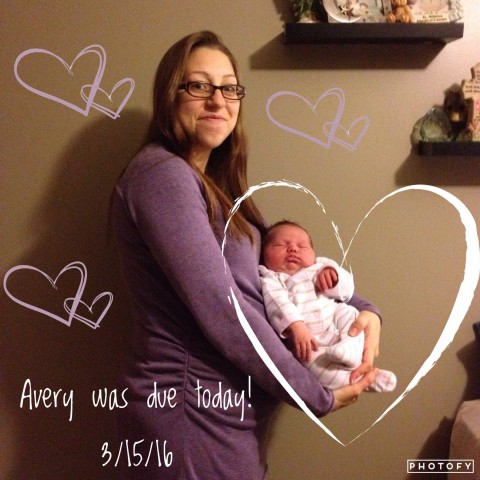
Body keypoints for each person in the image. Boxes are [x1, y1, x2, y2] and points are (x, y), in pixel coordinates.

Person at [111, 30, 381, 480]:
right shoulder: (162, 176)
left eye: (230, 87)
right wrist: (315, 396)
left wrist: (365, 311)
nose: (218, 100)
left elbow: (278, 273)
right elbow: (224, 307)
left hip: (225, 416)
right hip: (189, 415)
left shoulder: (217, 188)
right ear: (169, 95)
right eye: (199, 85)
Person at [259, 220, 396, 392]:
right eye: (281, 245)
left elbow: (347, 291)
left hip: (335, 322)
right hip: (309, 339)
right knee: (313, 364)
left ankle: (350, 347)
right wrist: (296, 326)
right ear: (263, 253)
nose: (293, 249)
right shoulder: (271, 278)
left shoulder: (320, 266)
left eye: (302, 246)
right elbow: (277, 303)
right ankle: (363, 379)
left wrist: (334, 277)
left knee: (351, 313)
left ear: (314, 253)